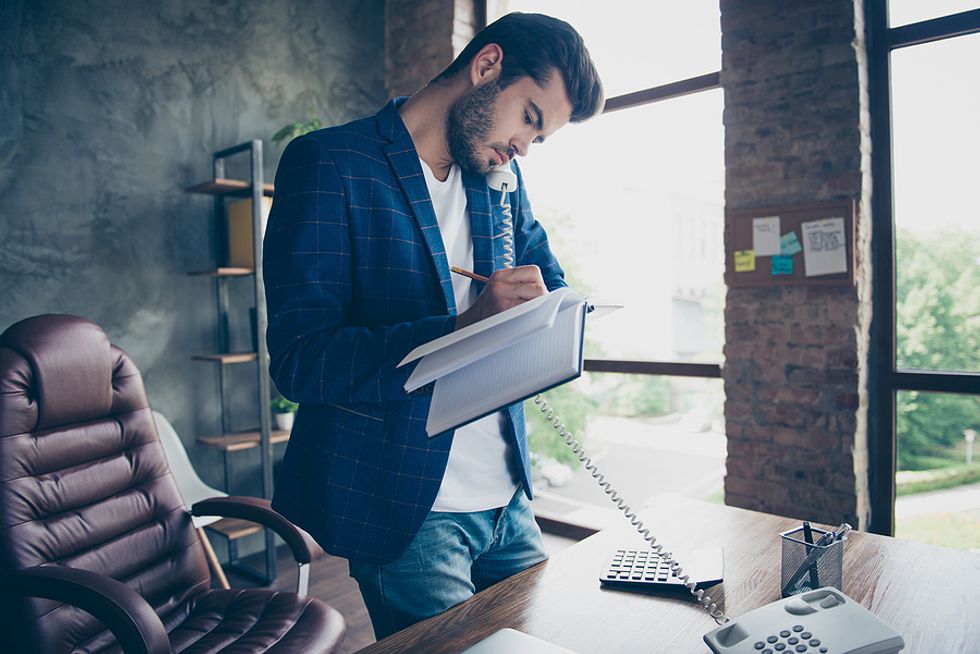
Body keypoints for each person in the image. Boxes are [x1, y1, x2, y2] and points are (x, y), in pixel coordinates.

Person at [263, 11, 603, 639]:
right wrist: (461, 325)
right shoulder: (329, 163)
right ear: (487, 65)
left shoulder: (500, 177)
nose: (525, 145)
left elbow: (547, 283)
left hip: (507, 498)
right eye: (529, 116)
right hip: (408, 506)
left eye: (541, 136)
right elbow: (300, 358)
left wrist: (555, 311)